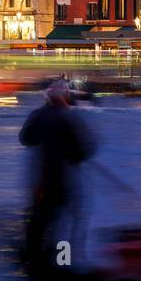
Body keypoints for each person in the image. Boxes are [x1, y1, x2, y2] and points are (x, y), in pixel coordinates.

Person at [19, 80, 96, 267]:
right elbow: (84, 150)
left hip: (42, 181)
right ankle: (64, 261)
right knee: (67, 220)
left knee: (40, 219)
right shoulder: (69, 118)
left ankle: (35, 256)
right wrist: (72, 155)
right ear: (65, 97)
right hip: (63, 181)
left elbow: (26, 139)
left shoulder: (38, 115)